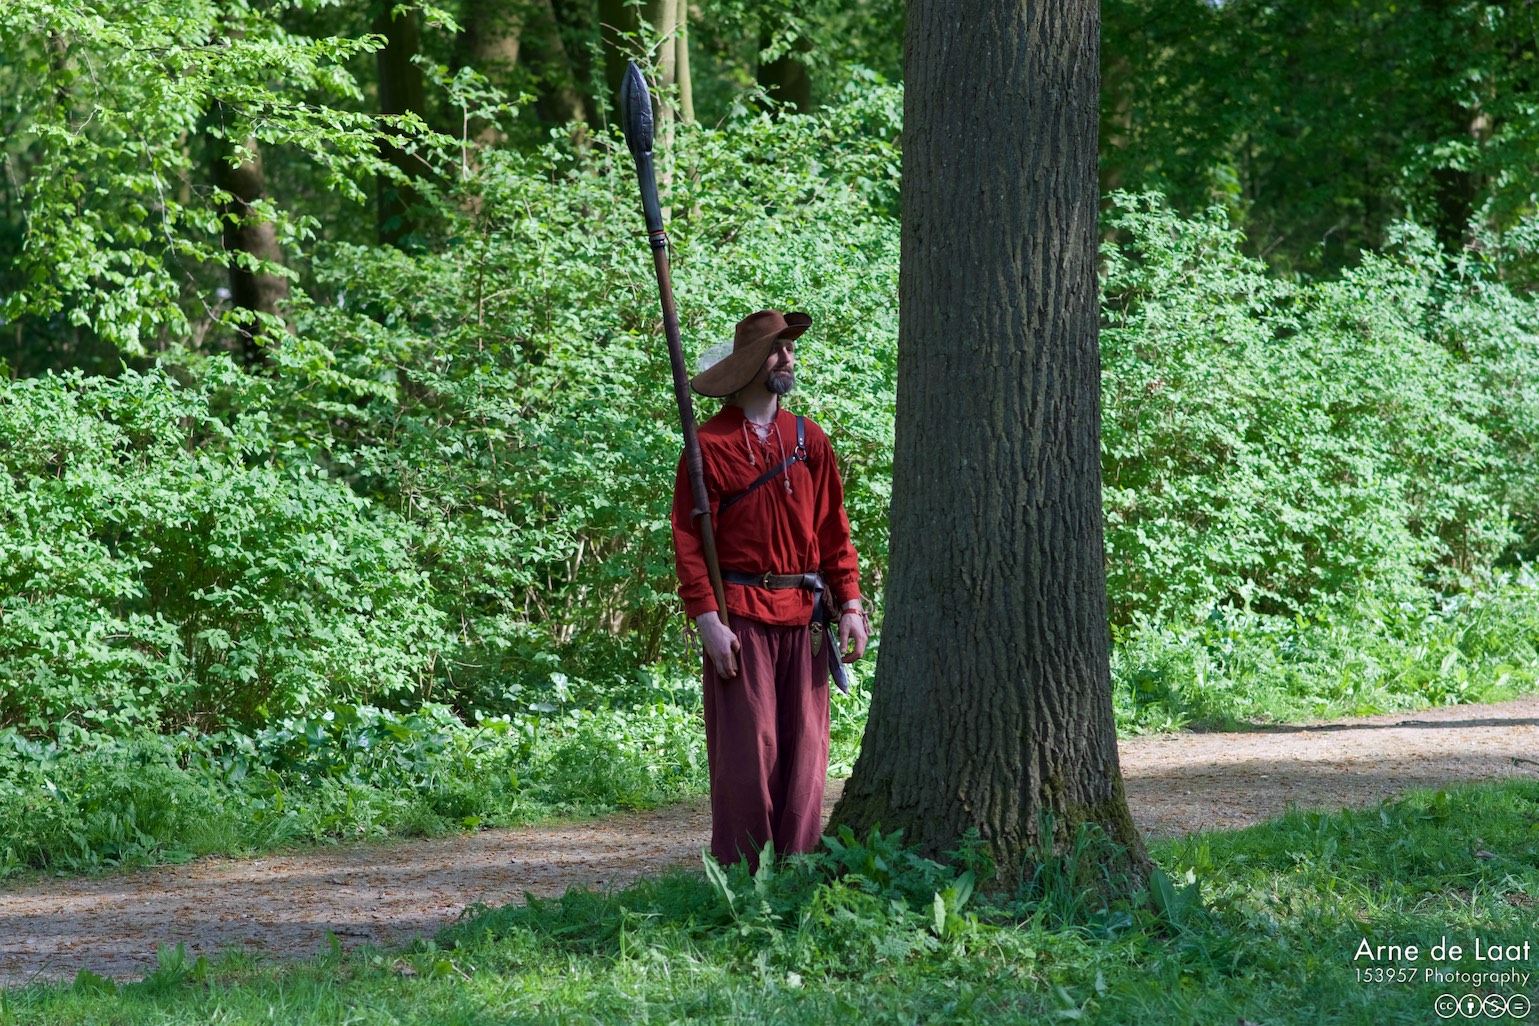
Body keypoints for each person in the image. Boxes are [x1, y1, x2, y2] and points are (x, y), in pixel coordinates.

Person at [671, 309, 871, 869]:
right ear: (751, 363)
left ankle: (797, 869)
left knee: (806, 753)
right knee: (746, 754)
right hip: (740, 618)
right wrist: (707, 619)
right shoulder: (708, 445)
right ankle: (743, 876)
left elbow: (833, 529)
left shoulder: (809, 439)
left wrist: (850, 603)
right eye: (778, 349)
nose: (788, 357)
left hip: (806, 617)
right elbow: (689, 540)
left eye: (790, 348)